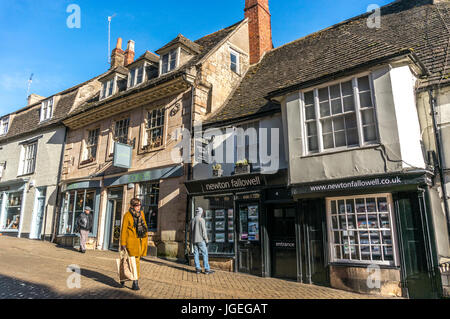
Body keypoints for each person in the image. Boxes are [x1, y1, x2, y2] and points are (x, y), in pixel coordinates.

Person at [120, 198, 148, 291]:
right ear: (132, 206)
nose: (139, 207)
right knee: (126, 261)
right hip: (130, 243)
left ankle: (135, 282)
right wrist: (123, 243)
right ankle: (123, 277)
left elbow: (144, 227)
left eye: (140, 205)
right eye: (137, 205)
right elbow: (123, 230)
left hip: (139, 242)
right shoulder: (127, 215)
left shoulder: (142, 214)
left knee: (136, 263)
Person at [190, 207, 214, 275]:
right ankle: (207, 269)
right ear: (201, 212)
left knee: (196, 254)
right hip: (201, 239)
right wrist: (206, 240)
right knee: (205, 254)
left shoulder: (192, 220)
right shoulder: (201, 220)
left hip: (194, 240)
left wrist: (191, 240)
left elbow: (191, 231)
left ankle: (198, 269)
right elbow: (204, 231)